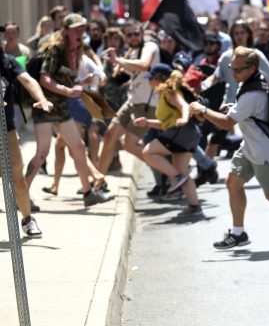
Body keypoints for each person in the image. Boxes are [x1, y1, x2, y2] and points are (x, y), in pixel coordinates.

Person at [189, 47, 269, 249]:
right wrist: (232, 109)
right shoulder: (250, 84)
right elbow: (241, 113)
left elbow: (227, 123)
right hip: (251, 147)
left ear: (252, 68)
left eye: (237, 70)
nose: (233, 74)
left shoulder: (253, 93)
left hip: (265, 153)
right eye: (231, 69)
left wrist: (203, 110)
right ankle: (238, 233)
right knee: (233, 181)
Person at [25, 14, 113, 207]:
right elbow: (45, 79)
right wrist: (68, 90)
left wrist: (81, 83)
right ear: (66, 32)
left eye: (83, 28)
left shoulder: (76, 51)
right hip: (45, 106)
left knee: (79, 147)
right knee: (42, 153)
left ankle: (88, 193)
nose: (81, 32)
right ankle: (21, 195)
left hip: (62, 107)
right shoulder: (56, 50)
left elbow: (65, 79)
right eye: (76, 29)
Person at [0, 25, 53, 236]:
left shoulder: (7, 62)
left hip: (7, 131)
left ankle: (28, 219)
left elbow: (28, 80)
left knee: (18, 181)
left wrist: (41, 99)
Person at [133, 64, 202, 216]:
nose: (149, 81)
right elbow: (166, 124)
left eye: (151, 78)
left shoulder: (168, 91)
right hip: (186, 134)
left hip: (182, 132)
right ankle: (194, 206)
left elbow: (184, 105)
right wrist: (147, 122)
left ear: (158, 78)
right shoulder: (163, 95)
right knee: (182, 171)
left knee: (148, 152)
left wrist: (184, 118)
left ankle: (176, 178)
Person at [97, 22, 161, 185]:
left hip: (148, 105)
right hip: (132, 101)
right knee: (110, 135)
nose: (133, 37)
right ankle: (99, 182)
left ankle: (164, 170)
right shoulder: (132, 52)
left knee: (129, 145)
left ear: (141, 34)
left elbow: (144, 65)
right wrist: (116, 62)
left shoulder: (150, 46)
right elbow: (133, 72)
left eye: (136, 34)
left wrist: (119, 59)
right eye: (130, 35)